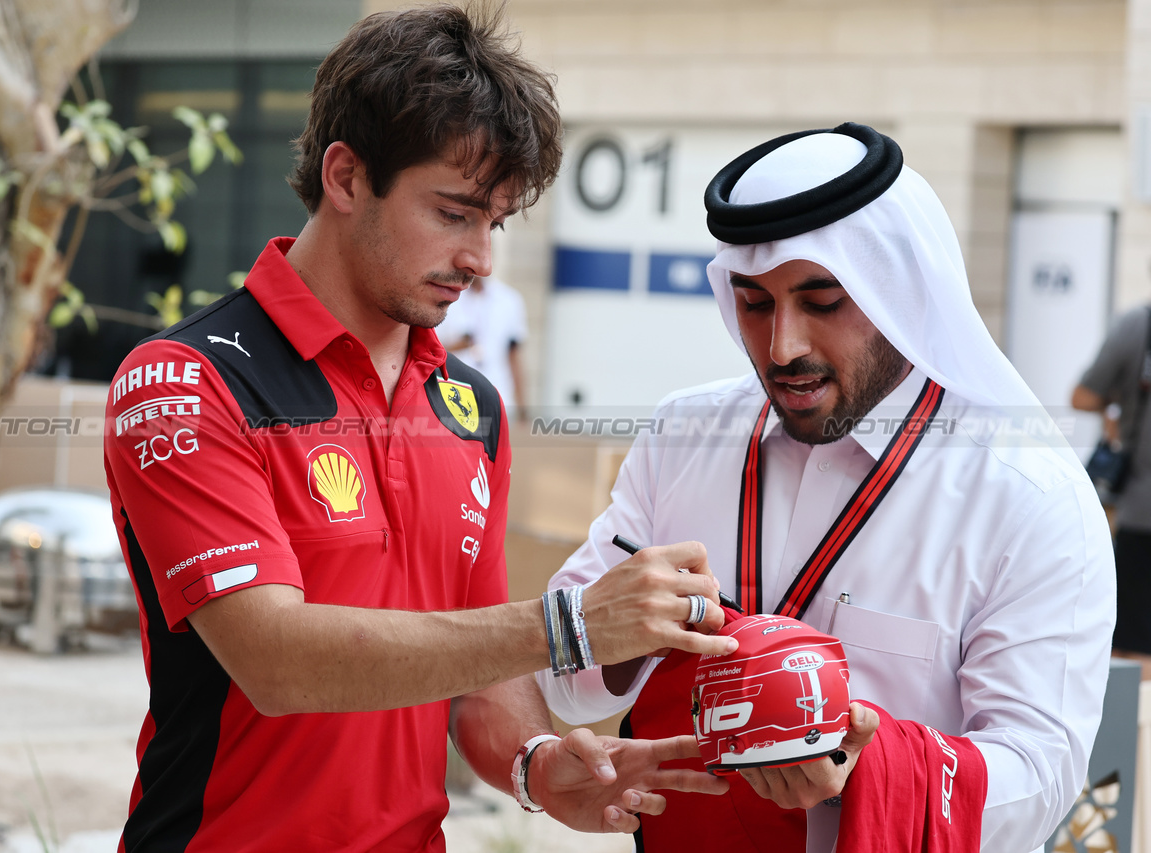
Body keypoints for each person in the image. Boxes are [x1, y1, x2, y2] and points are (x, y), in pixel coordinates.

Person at [101, 6, 738, 852]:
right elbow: (277, 661)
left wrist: (541, 763)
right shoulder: (187, 381)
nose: (481, 258)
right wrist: (571, 625)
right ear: (345, 176)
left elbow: (480, 677)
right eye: (454, 213)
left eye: (495, 222)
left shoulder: (471, 407)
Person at [537, 123, 1116, 852]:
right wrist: (622, 632)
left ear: (897, 292)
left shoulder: (1029, 499)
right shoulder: (683, 437)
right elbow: (558, 682)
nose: (784, 347)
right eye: (754, 304)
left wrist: (871, 767)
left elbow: (1042, 779)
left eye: (822, 301)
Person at [1073, 306, 1151, 657]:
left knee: (1132, 647)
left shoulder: (1138, 327)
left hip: (1142, 510)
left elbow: (1083, 396)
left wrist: (1117, 408)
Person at [437, 274, 528, 418]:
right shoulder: (445, 296)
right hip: (454, 395)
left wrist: (523, 406)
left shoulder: (509, 299)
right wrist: (457, 346)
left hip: (498, 394)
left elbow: (514, 356)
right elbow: (429, 350)